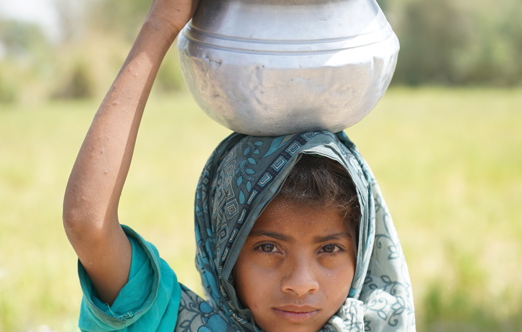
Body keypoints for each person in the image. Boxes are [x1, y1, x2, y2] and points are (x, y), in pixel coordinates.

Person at [62, 0, 415, 331]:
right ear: (225, 256)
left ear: (363, 249)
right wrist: (161, 25)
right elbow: (89, 226)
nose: (301, 284)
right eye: (268, 247)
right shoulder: (186, 323)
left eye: (329, 249)